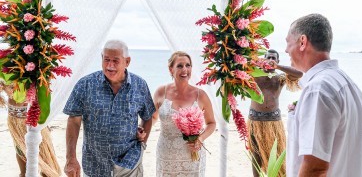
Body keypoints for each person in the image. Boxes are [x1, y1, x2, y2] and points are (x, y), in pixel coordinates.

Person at [285, 13, 362, 176]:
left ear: (303, 42)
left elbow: (315, 168)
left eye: (288, 42)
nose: (286, 50)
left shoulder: (318, 89)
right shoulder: (347, 83)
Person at [63, 40, 156, 177]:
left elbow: (147, 116)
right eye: (106, 60)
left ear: (127, 61)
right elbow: (74, 121)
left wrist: (142, 144)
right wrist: (70, 158)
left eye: (115, 61)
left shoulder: (140, 85)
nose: (110, 65)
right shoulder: (85, 84)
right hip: (94, 166)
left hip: (129, 165)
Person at [152, 51, 216, 177]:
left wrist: (200, 139)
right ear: (171, 69)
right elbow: (153, 118)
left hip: (192, 156)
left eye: (188, 65)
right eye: (180, 66)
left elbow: (211, 123)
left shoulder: (201, 95)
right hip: (166, 155)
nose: (185, 70)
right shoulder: (161, 92)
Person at [247, 49, 303, 177]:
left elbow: (299, 74)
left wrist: (277, 67)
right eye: (268, 58)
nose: (271, 60)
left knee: (278, 154)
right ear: (264, 59)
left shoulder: (280, 78)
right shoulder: (253, 75)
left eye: (274, 58)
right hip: (255, 120)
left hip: (274, 122)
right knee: (256, 155)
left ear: (277, 61)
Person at [0, 82, 62, 177]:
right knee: (20, 149)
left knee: (46, 161)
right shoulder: (6, 73)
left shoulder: (33, 71)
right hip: (15, 119)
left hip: (32, 117)